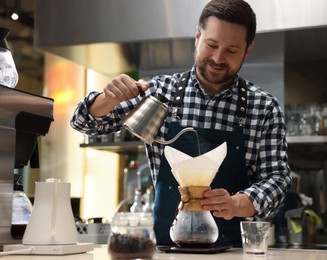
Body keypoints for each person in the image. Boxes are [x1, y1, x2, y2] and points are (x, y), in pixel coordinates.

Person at [70, 0, 292, 247]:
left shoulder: (263, 108)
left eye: (231, 50)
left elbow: (278, 178)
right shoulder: (158, 93)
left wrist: (238, 203)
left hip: (234, 252)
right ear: (197, 37)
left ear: (247, 50)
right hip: (164, 249)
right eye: (212, 45)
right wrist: (105, 99)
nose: (218, 58)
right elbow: (82, 123)